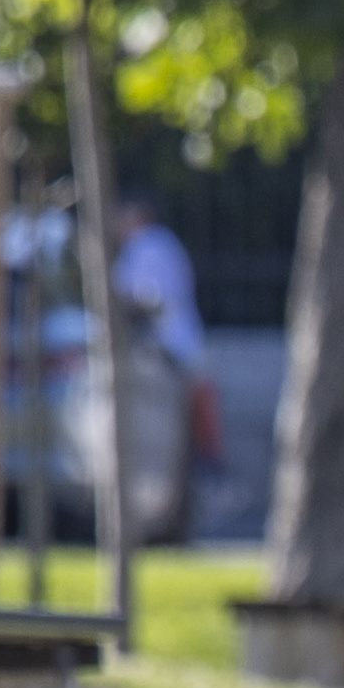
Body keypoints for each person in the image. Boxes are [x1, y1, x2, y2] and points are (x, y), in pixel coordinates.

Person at [111, 190, 220, 481]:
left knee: (182, 418)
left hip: (166, 344)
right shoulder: (159, 244)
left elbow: (146, 297)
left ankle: (210, 473)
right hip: (177, 341)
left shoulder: (148, 247)